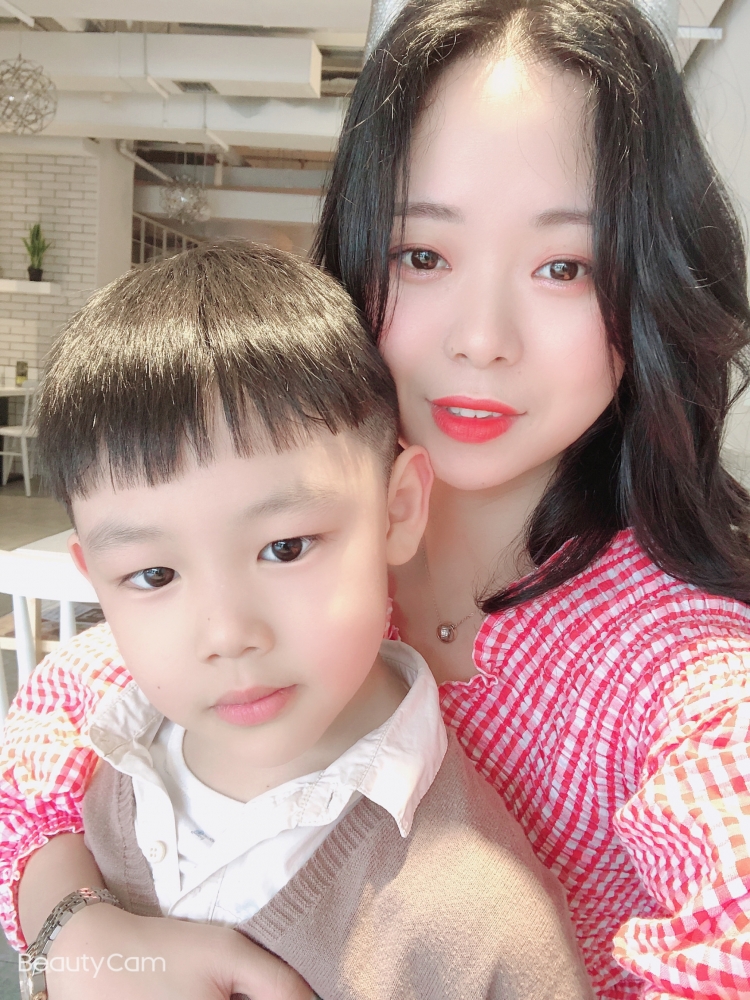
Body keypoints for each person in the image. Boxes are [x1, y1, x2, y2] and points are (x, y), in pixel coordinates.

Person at [2, 1, 749, 998]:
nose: (481, 339)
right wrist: (74, 932)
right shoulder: (297, 534)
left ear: (650, 281)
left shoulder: (684, 675)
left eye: (565, 266)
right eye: (423, 255)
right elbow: (54, 721)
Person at [13, 241, 592, 1000]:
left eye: (284, 548)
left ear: (398, 509)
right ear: (94, 577)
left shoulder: (483, 927)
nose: (228, 634)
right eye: (154, 575)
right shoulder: (89, 766)